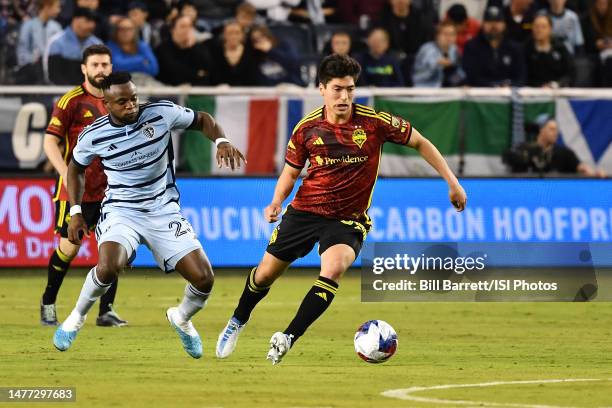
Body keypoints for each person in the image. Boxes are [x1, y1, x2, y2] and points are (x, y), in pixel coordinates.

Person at [215, 54, 467, 365]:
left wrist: (452, 183)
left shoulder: (375, 123)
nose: (344, 97)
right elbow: (291, 172)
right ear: (321, 89)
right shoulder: (307, 129)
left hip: (348, 219)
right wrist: (276, 201)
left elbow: (420, 142)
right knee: (265, 275)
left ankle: (288, 337)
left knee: (333, 269)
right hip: (305, 212)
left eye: (350, 89)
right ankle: (238, 320)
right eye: (337, 89)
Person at [52, 71, 246, 358]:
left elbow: (203, 119)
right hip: (121, 210)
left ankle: (180, 317)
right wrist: (77, 211)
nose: (131, 105)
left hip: (163, 208)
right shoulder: (94, 134)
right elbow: (75, 168)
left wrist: (221, 141)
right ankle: (76, 317)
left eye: (133, 98)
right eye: (122, 102)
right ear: (106, 104)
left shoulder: (161, 113)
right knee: (108, 266)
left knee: (204, 278)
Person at [41, 44, 127, 328]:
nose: (101, 70)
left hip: (111, 189)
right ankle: (48, 302)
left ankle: (107, 311)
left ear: (111, 67)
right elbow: (50, 140)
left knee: (112, 248)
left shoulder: (120, 99)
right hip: (77, 189)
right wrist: (66, 172)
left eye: (105, 65)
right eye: (95, 65)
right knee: (70, 248)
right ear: (84, 69)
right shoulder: (71, 101)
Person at [503, 113, 606, 177]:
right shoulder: (525, 149)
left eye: (556, 130)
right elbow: (508, 161)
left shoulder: (565, 153)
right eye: (551, 129)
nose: (555, 133)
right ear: (541, 130)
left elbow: (581, 168)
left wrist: (595, 174)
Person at [462, 5, 526, 86]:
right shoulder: (471, 47)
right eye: (489, 21)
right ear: (483, 24)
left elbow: (521, 77)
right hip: (480, 94)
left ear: (504, 24)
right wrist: (493, 86)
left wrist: (509, 85)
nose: (493, 26)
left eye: (497, 21)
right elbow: (471, 76)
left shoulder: (515, 48)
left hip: (509, 94)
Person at [44, 7, 102, 84]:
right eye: (88, 21)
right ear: (75, 20)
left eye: (94, 22)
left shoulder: (98, 44)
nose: (92, 25)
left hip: (89, 93)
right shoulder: (57, 42)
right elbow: (53, 75)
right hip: (60, 93)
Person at [16, 0, 62, 84]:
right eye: (57, 7)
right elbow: (22, 53)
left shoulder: (57, 27)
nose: (59, 11)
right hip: (31, 73)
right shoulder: (28, 26)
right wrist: (34, 61)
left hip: (52, 70)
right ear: (47, 6)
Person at [525, 13, 573, 87]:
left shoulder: (560, 48)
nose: (539, 30)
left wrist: (557, 84)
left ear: (550, 29)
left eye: (543, 27)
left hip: (557, 90)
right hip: (533, 91)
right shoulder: (526, 49)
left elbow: (570, 73)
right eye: (536, 26)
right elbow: (523, 75)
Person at [412, 21, 465, 87]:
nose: (449, 37)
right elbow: (431, 68)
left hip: (445, 90)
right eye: (445, 34)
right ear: (437, 36)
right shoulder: (427, 49)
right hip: (424, 87)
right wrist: (439, 63)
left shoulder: (454, 50)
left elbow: (460, 73)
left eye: (452, 34)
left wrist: (457, 84)